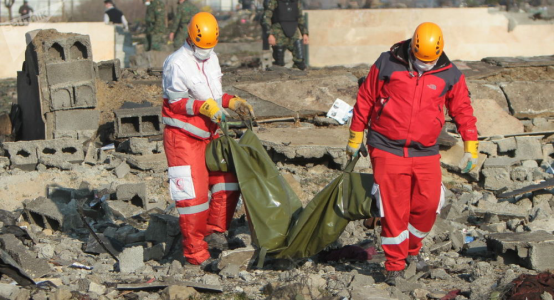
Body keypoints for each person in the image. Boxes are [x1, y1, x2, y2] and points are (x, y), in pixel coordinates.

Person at [346, 22, 478, 286]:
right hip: (386, 146)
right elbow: (366, 97)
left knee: (428, 204)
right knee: (394, 207)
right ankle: (394, 265)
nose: (423, 65)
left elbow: (462, 110)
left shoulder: (450, 74)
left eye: (429, 61)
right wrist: (355, 135)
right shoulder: (386, 63)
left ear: (440, 52)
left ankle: (412, 250)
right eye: (419, 59)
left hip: (425, 150)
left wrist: (471, 146)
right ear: (412, 47)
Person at [161, 12, 255, 266]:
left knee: (229, 182)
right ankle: (196, 255)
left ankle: (214, 233)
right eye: (202, 46)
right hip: (183, 138)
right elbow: (176, 102)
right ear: (191, 38)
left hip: (209, 136)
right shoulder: (177, 63)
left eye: (210, 46)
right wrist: (203, 108)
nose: (206, 50)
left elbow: (212, 94)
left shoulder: (211, 57)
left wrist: (230, 101)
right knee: (194, 198)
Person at [261, 0, 309, 70]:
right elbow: (266, 18)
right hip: (278, 32)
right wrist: (269, 34)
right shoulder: (274, 2)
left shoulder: (295, 2)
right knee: (279, 62)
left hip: (293, 31)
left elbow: (300, 17)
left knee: (300, 61)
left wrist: (305, 33)